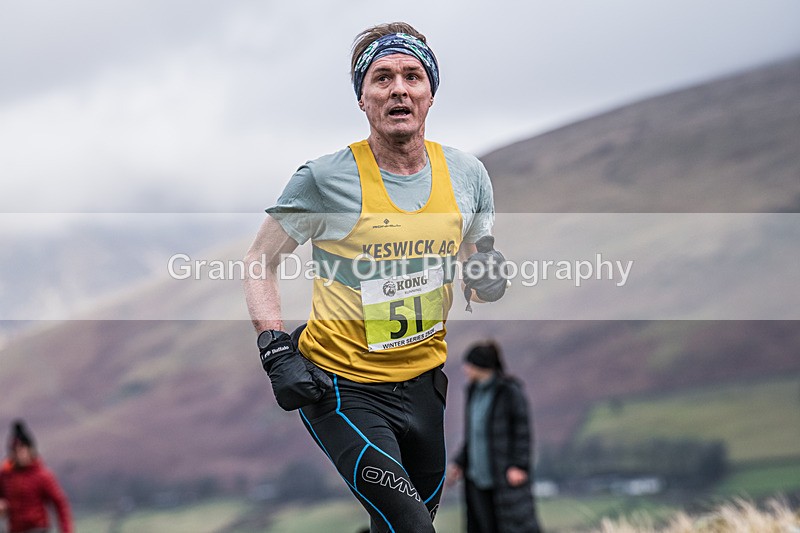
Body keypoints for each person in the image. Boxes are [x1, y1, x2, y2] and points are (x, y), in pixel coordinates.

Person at [243, 21, 508, 533]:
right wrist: (274, 347)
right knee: (412, 527)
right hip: (343, 388)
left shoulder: (467, 175)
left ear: (431, 93)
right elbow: (259, 261)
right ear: (362, 99)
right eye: (382, 78)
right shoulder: (324, 179)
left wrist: (486, 274)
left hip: (424, 386)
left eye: (412, 76)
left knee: (400, 526)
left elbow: (477, 257)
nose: (398, 89)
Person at [447, 342, 542, 533]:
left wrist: (519, 465)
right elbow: (473, 435)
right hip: (476, 479)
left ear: (481, 365)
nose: (465, 369)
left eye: (469, 364)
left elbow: (522, 431)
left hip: (503, 477)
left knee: (512, 526)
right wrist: (460, 462)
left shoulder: (509, 391)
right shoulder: (473, 391)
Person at [0, 420, 73, 533]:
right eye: (15, 450)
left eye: (22, 450)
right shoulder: (5, 475)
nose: (19, 454)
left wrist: (66, 530)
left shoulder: (42, 475)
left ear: (30, 450)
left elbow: (60, 503)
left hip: (38, 529)